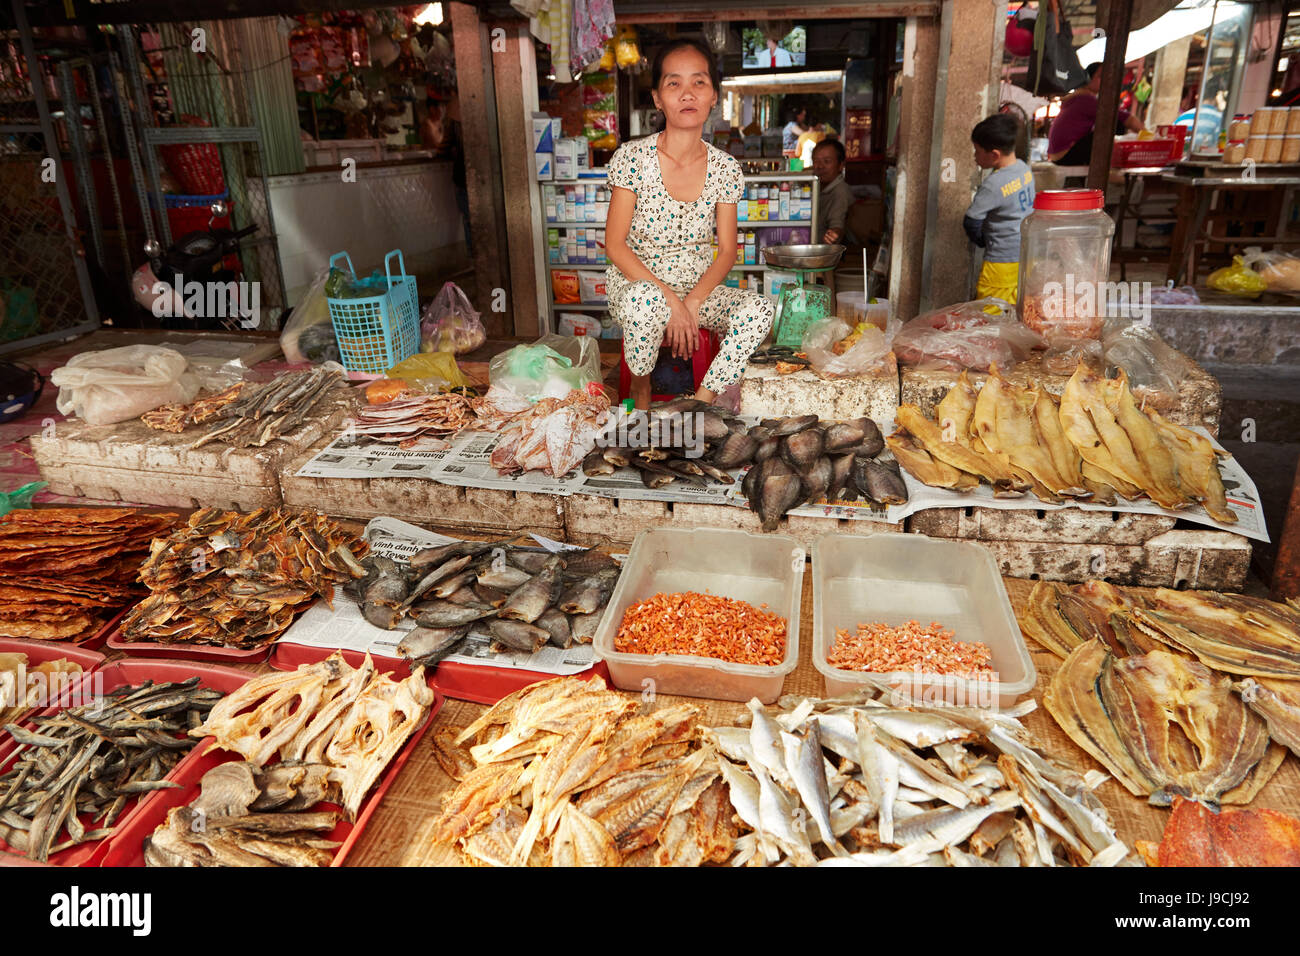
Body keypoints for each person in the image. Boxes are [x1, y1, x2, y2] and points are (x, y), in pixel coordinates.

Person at [605, 38, 774, 410]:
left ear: (714, 95)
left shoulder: (726, 168)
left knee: (760, 309)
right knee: (645, 300)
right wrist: (672, 302)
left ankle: (700, 401)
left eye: (699, 82)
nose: (687, 94)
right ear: (657, 98)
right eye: (673, 83)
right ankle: (642, 391)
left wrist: (693, 301)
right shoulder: (632, 158)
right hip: (639, 286)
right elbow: (615, 245)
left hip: (698, 288)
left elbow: (728, 250)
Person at [963, 113, 1034, 304]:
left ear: (994, 155)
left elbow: (971, 220)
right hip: (1025, 255)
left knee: (989, 315)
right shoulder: (1024, 170)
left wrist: (984, 241)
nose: (974, 156)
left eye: (977, 151)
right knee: (1015, 311)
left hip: (1000, 264)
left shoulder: (993, 184)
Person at [1047, 62, 1144, 165]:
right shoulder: (1085, 100)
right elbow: (1127, 119)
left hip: (1058, 156)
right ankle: (1110, 174)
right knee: (1111, 129)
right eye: (1101, 77)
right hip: (1066, 155)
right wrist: (1148, 136)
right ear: (1088, 79)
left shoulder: (1077, 97)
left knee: (1111, 126)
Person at [812, 138, 852, 245]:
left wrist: (833, 235)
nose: (819, 166)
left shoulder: (840, 192)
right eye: (816, 161)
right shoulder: (816, 186)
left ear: (841, 165)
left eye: (827, 161)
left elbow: (837, 227)